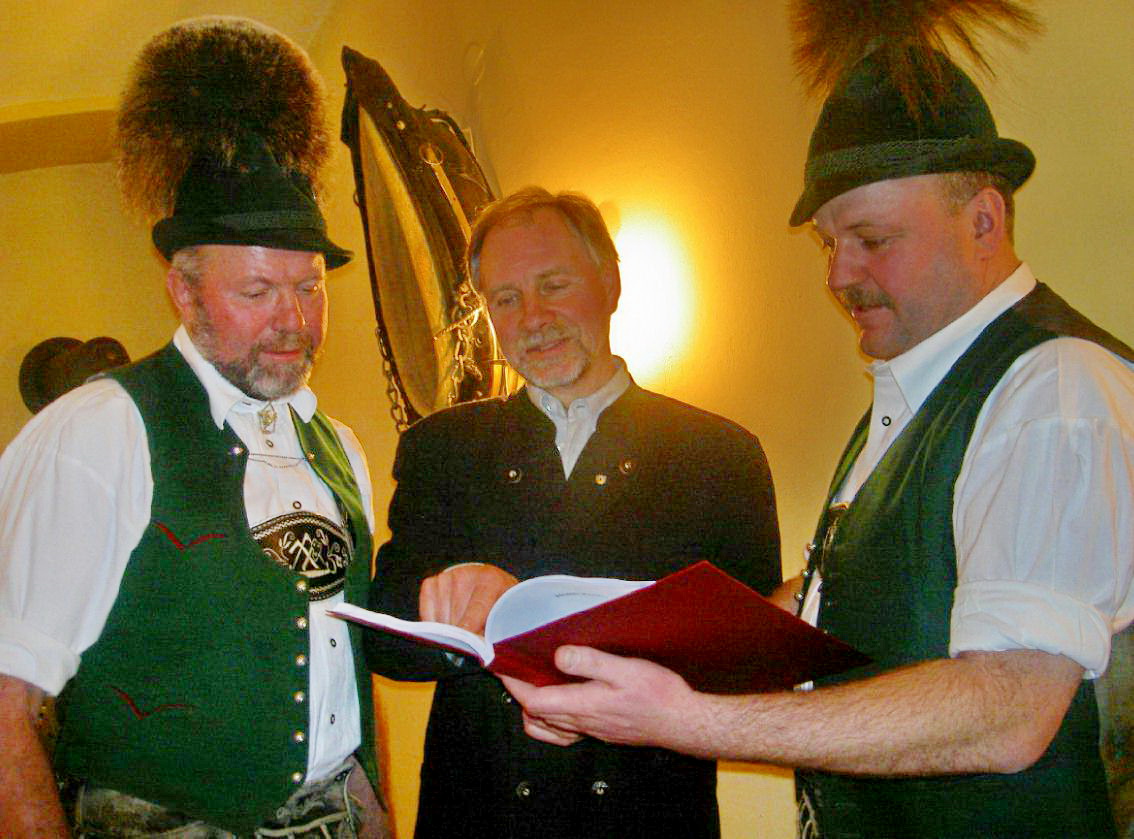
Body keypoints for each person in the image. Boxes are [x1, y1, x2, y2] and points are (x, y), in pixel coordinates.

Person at [501, 8, 1134, 839]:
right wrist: (613, 674)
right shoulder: (911, 397)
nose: (839, 274)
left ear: (983, 219)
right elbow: (834, 600)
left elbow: (1010, 707)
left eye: (871, 238)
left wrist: (687, 720)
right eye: (828, 244)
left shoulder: (1056, 390)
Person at [0, 18, 388, 837]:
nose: (293, 322)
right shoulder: (99, 433)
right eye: (257, 292)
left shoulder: (340, 448)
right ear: (182, 290)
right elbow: (6, 705)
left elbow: (342, 676)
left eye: (310, 288)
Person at [364, 186, 782, 839]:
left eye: (554, 286)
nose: (533, 317)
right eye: (506, 299)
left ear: (610, 283)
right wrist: (453, 612)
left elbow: (754, 658)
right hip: (481, 817)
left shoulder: (719, 455)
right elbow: (385, 639)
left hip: (646, 819)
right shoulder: (442, 448)